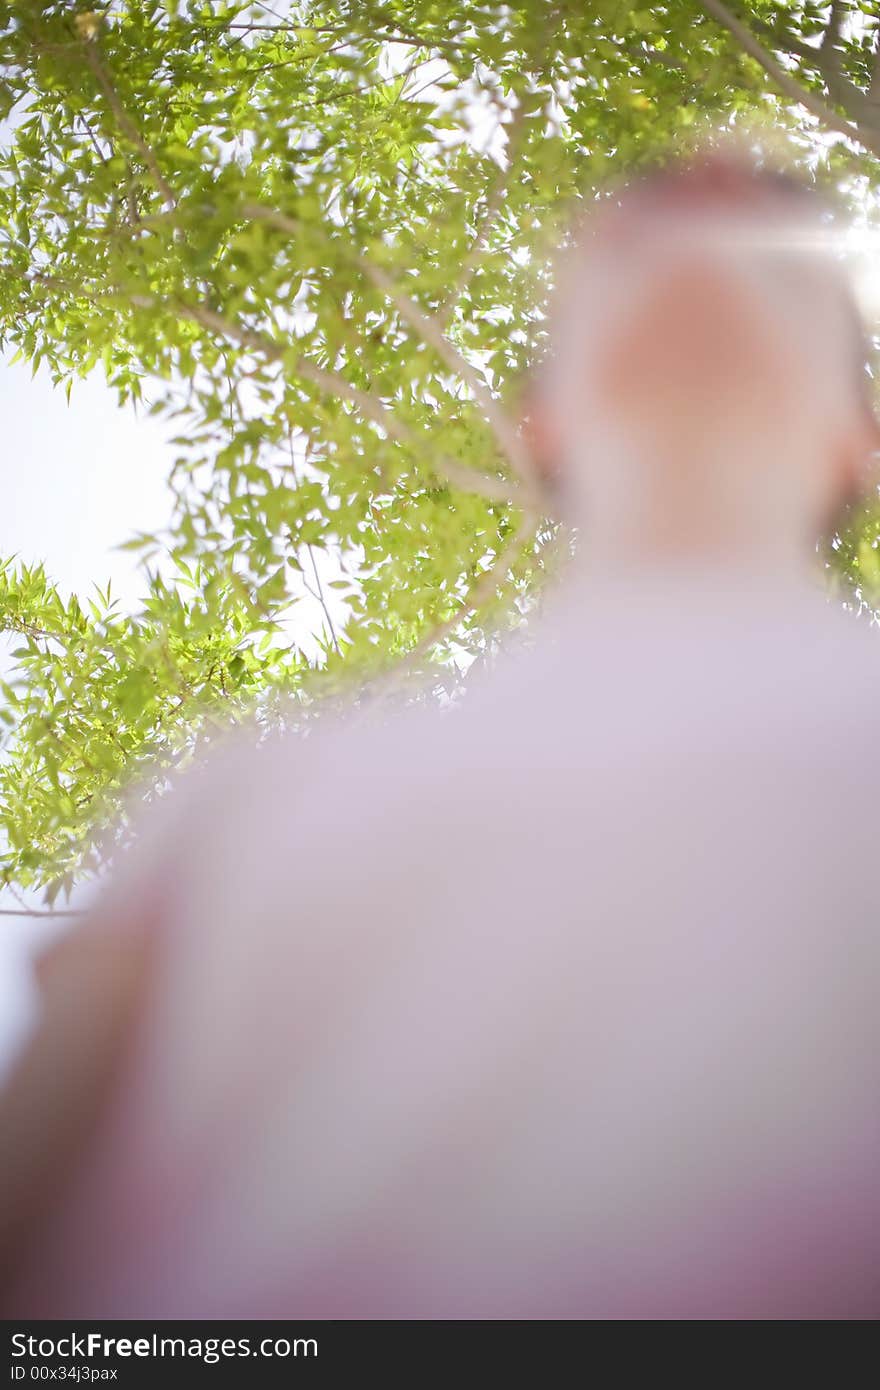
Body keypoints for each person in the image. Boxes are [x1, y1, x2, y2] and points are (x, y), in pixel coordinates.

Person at [2, 146, 880, 1320]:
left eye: (773, 226)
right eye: (635, 226)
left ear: (857, 440)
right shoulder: (250, 782)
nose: (708, 200)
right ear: (540, 420)